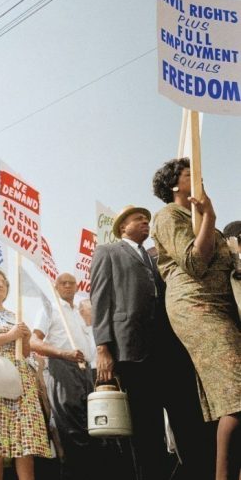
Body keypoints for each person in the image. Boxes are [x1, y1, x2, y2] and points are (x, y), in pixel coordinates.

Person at [152, 158, 241, 480]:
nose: (199, 177)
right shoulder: (168, 216)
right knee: (237, 395)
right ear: (174, 185)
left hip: (224, 307)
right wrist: (211, 216)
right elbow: (193, 262)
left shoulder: (203, 221)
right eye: (191, 174)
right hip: (196, 307)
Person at [90, 205, 168, 480]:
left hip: (159, 349)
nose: (146, 222)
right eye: (139, 219)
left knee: (157, 424)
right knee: (139, 424)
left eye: (148, 220)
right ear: (123, 226)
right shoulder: (108, 252)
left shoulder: (151, 258)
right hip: (128, 349)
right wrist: (103, 347)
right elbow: (99, 300)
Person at [0, 268, 51, 480]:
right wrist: (10, 334)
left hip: (20, 379)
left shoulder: (15, 315)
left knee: (25, 441)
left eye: (3, 281)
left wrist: (25, 338)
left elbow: (24, 351)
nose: (0, 284)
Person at [30, 272, 96, 480]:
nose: (67, 286)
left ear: (77, 287)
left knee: (91, 426)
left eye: (71, 283)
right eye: (63, 283)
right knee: (71, 429)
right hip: (61, 367)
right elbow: (33, 341)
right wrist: (62, 353)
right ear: (56, 287)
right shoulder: (49, 309)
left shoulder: (80, 311)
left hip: (85, 370)